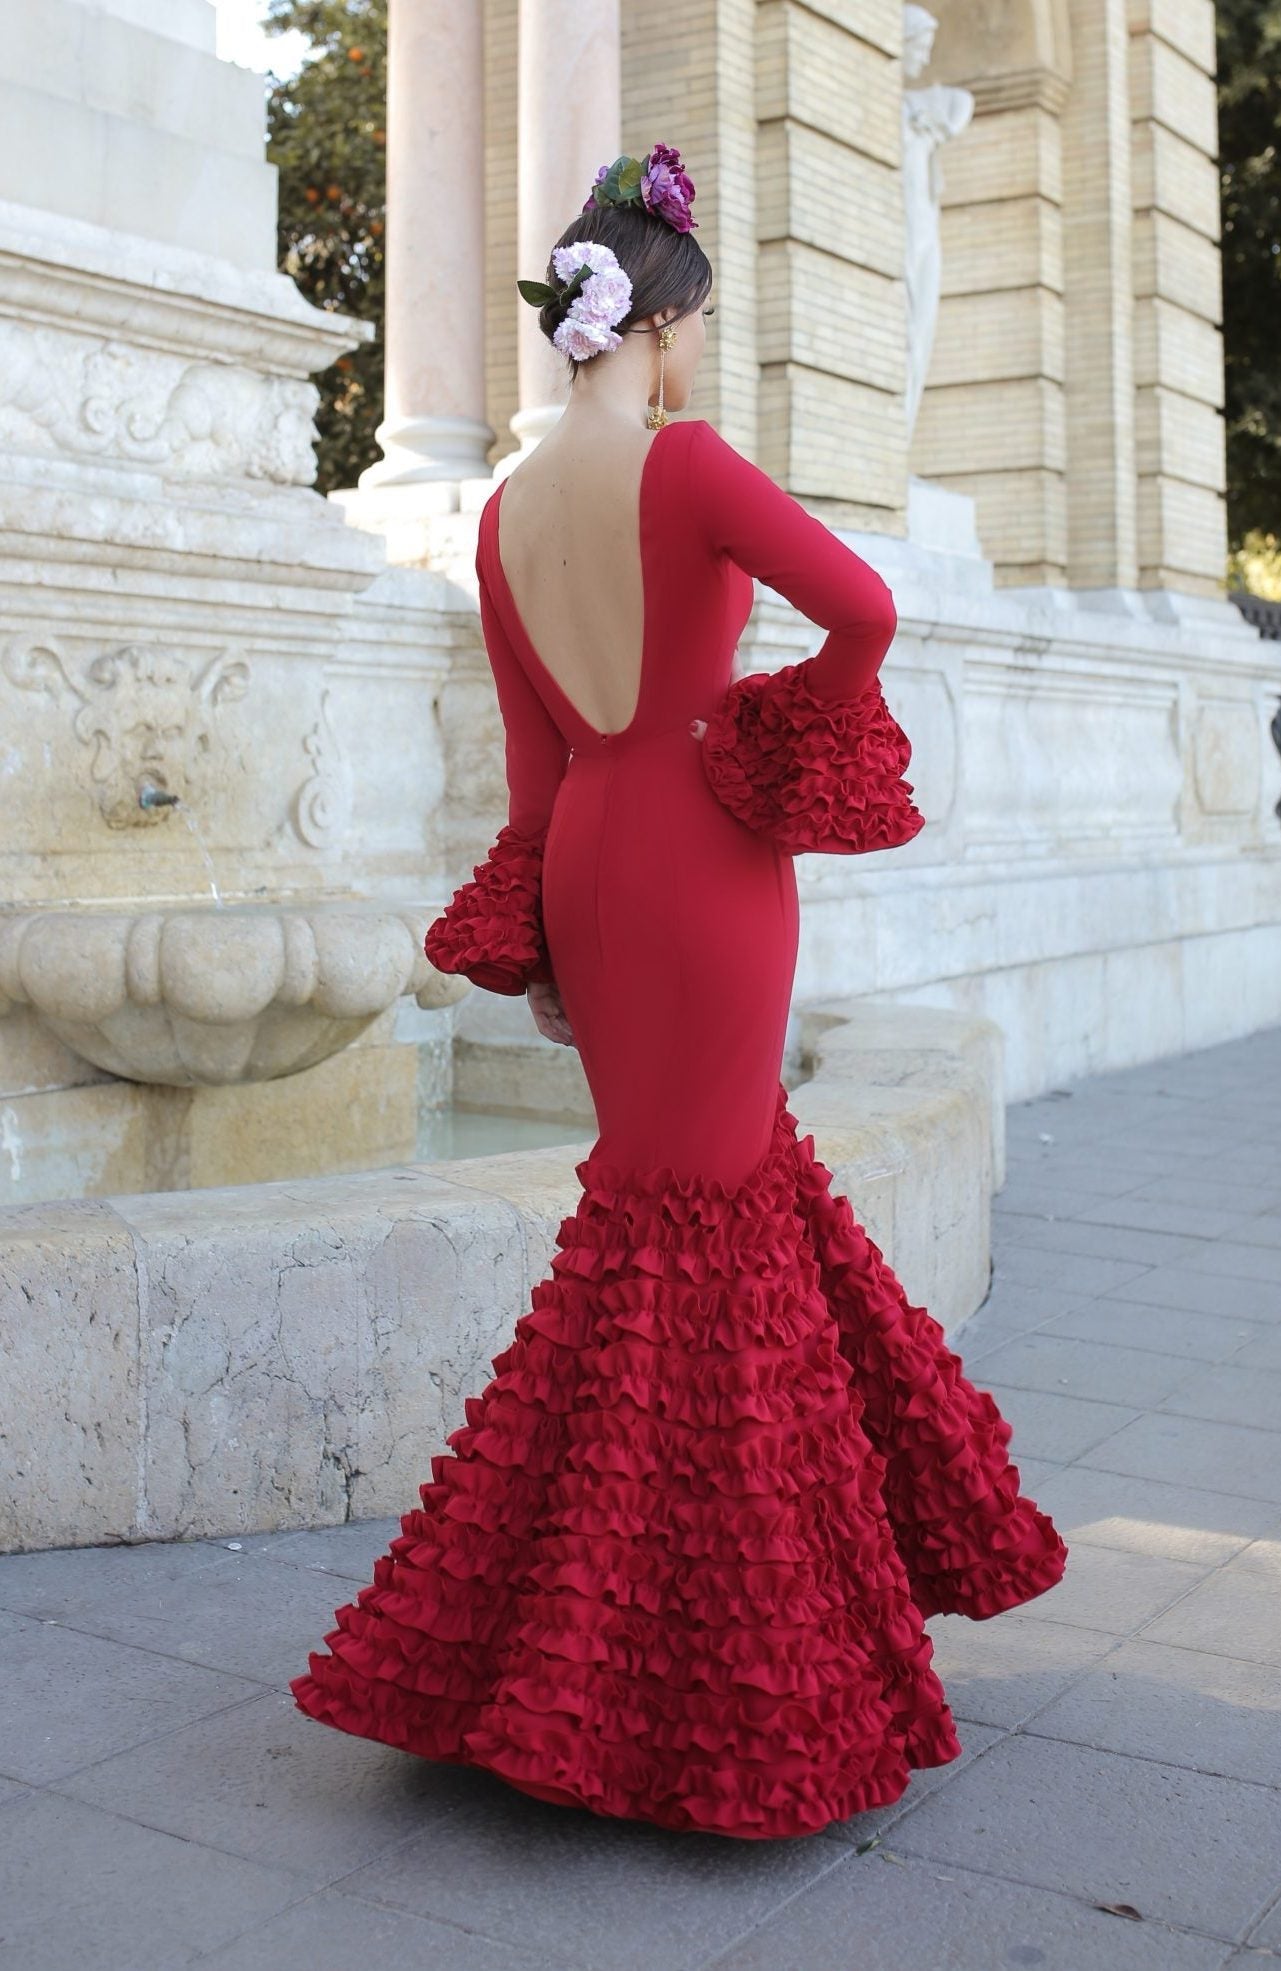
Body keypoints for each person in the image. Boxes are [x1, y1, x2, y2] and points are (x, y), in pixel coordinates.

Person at [290, 143, 1067, 1840]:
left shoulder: (499, 520)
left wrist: (549, 943)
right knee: (703, 1235)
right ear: (659, 319)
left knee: (662, 1222)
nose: (699, 351)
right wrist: (760, 741)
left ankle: (578, 1645)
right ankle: (708, 1682)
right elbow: (859, 611)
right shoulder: (688, 461)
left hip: (590, 863)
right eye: (695, 324)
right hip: (705, 865)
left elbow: (527, 766)